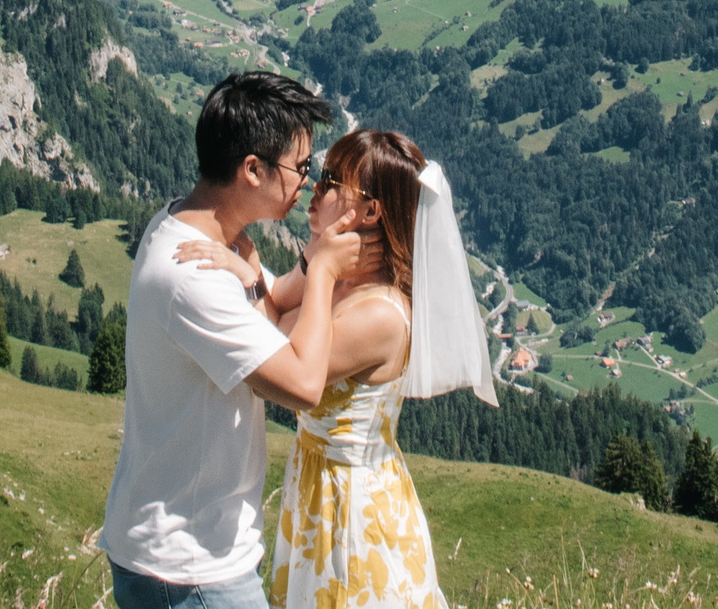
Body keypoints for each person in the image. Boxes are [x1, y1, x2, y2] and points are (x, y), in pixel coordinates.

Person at [177, 127, 497, 609]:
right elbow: (278, 308)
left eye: (331, 181)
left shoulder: (381, 316)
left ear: (370, 211)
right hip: (320, 493)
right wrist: (276, 270)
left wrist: (296, 272)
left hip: (353, 515)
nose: (314, 189)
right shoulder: (344, 282)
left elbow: (277, 352)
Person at [102, 72, 365, 609]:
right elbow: (302, 384)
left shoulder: (190, 226)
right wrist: (325, 274)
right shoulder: (195, 277)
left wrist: (256, 271)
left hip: (174, 551)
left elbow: (268, 299)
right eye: (301, 167)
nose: (307, 184)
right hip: (192, 568)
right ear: (252, 170)